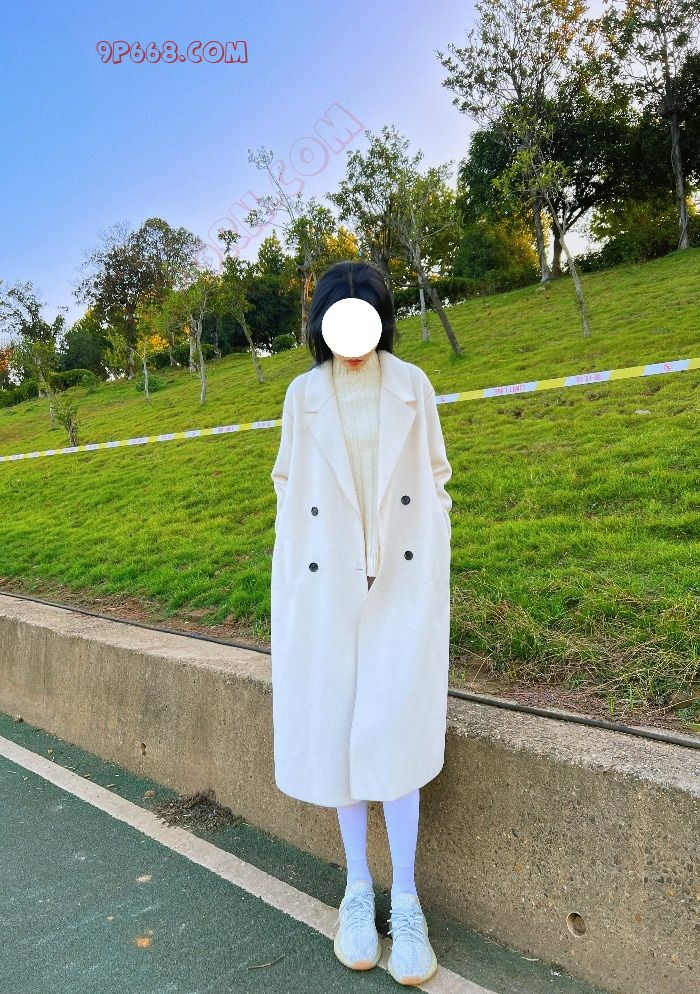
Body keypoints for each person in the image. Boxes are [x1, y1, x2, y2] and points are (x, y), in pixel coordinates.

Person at [270, 261, 452, 986]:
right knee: (340, 735)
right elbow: (288, 481)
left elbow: (436, 473)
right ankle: (355, 889)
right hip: (327, 584)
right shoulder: (303, 394)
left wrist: (434, 538)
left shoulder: (413, 385)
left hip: (402, 580)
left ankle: (405, 899)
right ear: (320, 325)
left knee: (397, 737)